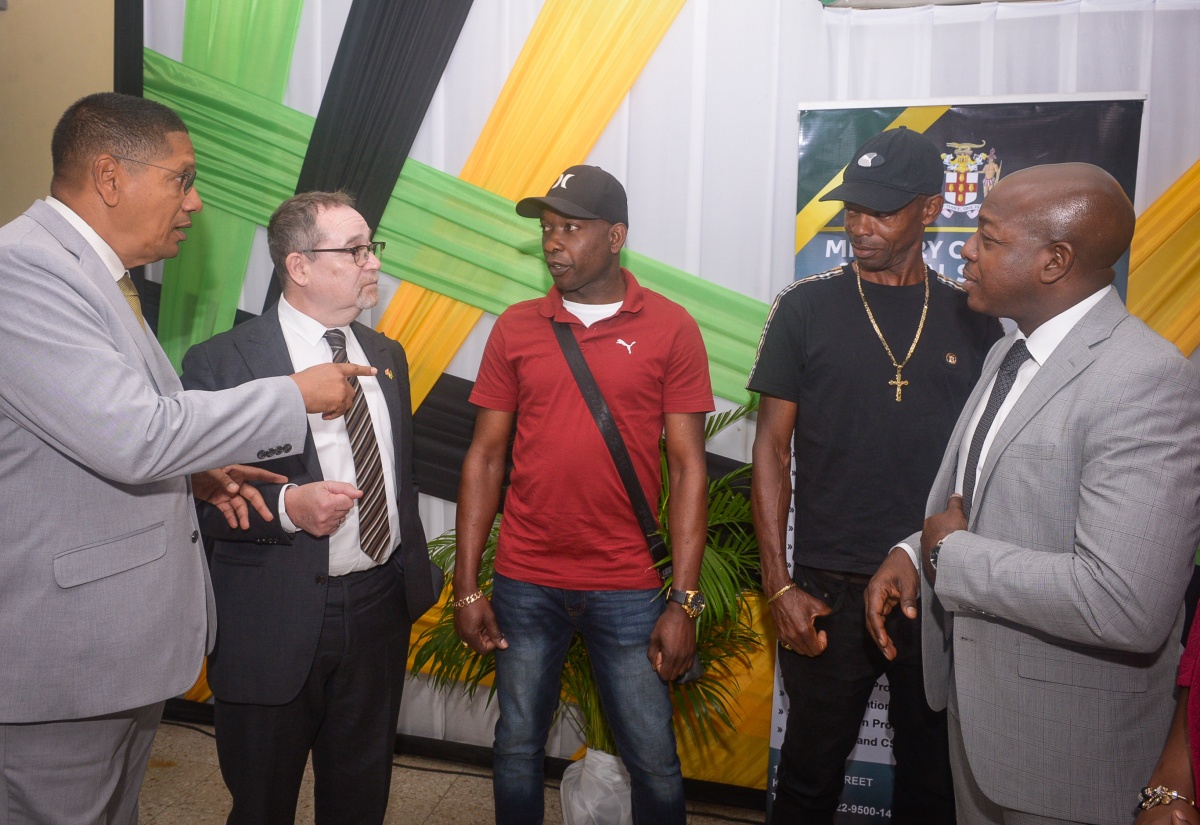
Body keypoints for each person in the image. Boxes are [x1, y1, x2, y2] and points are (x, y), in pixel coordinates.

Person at [0, 93, 369, 824]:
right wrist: (291, 396)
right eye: (182, 177)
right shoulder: (26, 271)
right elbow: (136, 433)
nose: (195, 201)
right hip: (65, 661)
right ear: (111, 177)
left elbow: (91, 431)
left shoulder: (92, 275)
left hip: (111, 656)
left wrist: (194, 470)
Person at [866, 162, 1200, 825]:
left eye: (988, 237)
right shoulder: (1007, 352)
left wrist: (949, 561)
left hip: (1066, 762)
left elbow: (1126, 602)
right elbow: (979, 497)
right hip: (981, 734)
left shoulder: (1145, 379)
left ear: (1055, 261)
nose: (964, 247)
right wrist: (912, 550)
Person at [749, 126, 1001, 824]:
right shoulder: (804, 307)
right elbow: (770, 451)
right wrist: (778, 585)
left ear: (928, 210)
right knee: (805, 784)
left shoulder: (973, 316)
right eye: (852, 208)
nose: (860, 226)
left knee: (932, 790)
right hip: (826, 586)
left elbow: (986, 465)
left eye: (881, 211)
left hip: (936, 586)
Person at [452, 165, 713, 825]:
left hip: (627, 584)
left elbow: (687, 468)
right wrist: (467, 586)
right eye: (547, 228)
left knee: (652, 758)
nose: (553, 242)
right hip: (525, 580)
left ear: (616, 235)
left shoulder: (671, 328)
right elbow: (484, 457)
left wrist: (683, 599)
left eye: (570, 227)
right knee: (514, 746)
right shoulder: (515, 327)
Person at [180, 191, 439, 825]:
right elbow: (194, 501)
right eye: (355, 250)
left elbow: (398, 480)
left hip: (379, 608)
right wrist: (290, 507)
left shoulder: (387, 356)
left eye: (372, 246)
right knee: (263, 801)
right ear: (298, 266)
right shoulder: (222, 363)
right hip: (271, 618)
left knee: (359, 799)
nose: (372, 262)